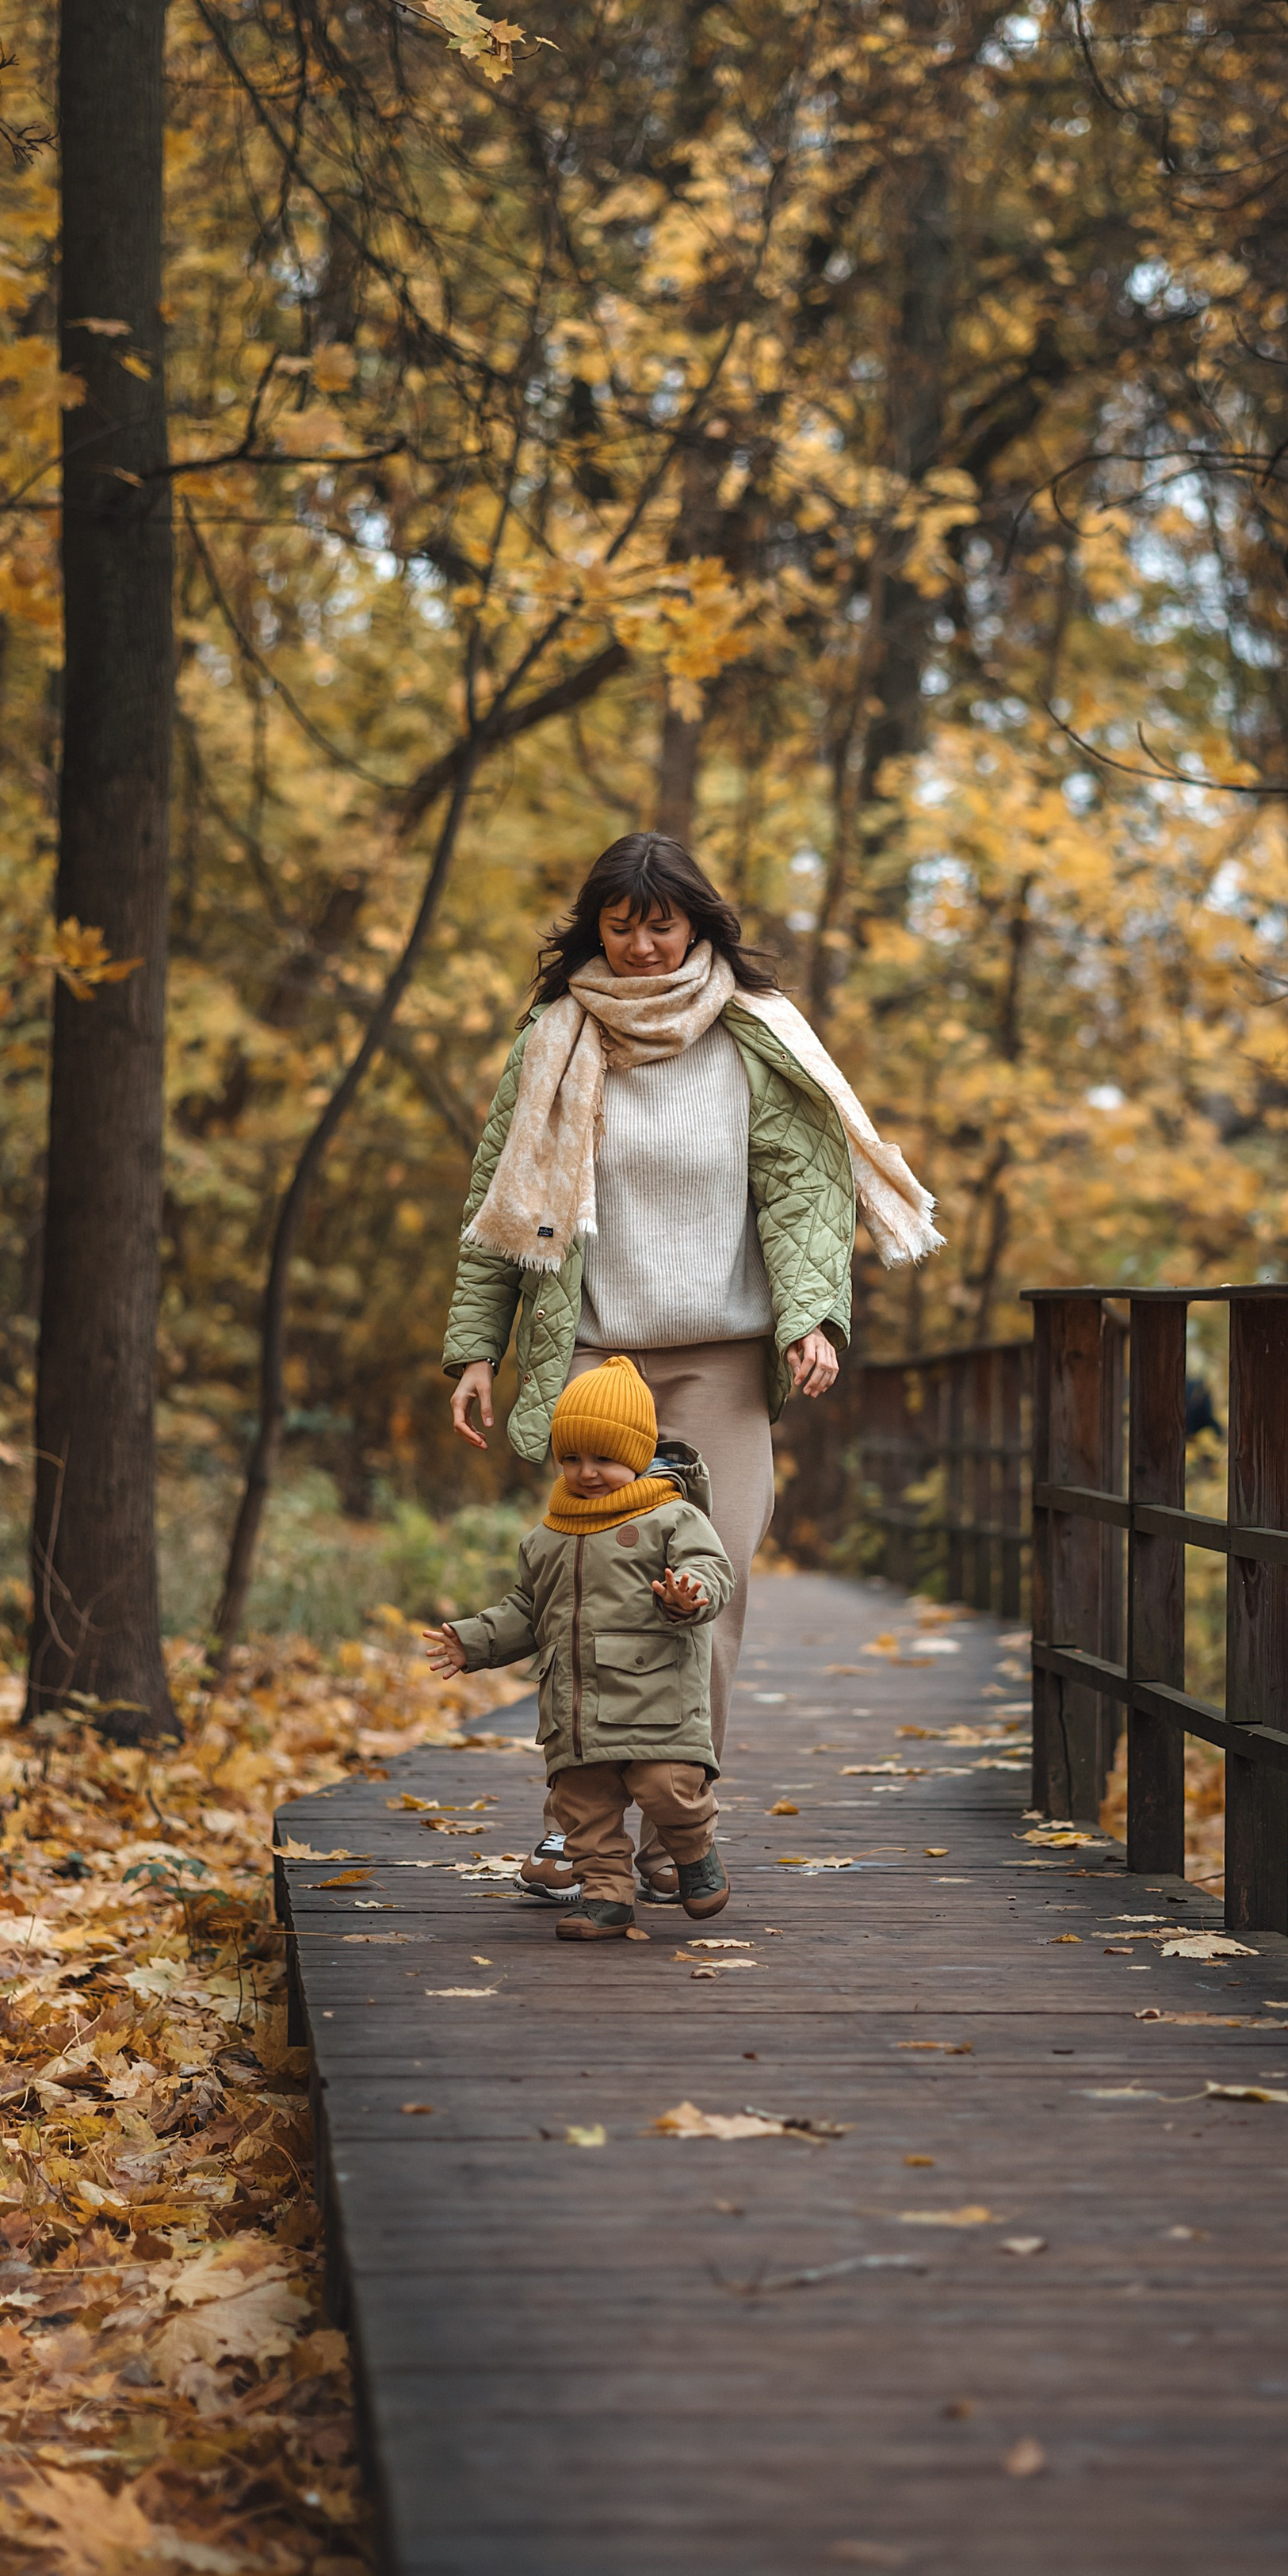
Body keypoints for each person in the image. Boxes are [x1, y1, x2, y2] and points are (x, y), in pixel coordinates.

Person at [440, 831, 938, 1904]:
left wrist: (814, 1320)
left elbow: (801, 1199)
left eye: (660, 923)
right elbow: (500, 1206)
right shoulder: (554, 1038)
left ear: (699, 924)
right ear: (595, 928)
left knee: (705, 1585)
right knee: (590, 1587)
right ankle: (578, 1835)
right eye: (618, 925)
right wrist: (477, 1347)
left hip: (719, 1352)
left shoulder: (759, 1039)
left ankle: (677, 1826)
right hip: (590, 1351)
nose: (639, 946)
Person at [422, 1356, 736, 1943]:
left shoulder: (672, 1517)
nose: (586, 1472)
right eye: (571, 1458)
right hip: (577, 1707)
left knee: (668, 1787)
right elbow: (528, 1609)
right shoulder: (547, 1536)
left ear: (640, 1454)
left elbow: (711, 1568)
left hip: (655, 1700)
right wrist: (475, 1641)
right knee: (584, 1811)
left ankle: (695, 1855)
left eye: (604, 1458)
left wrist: (688, 1593)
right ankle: (605, 1897)